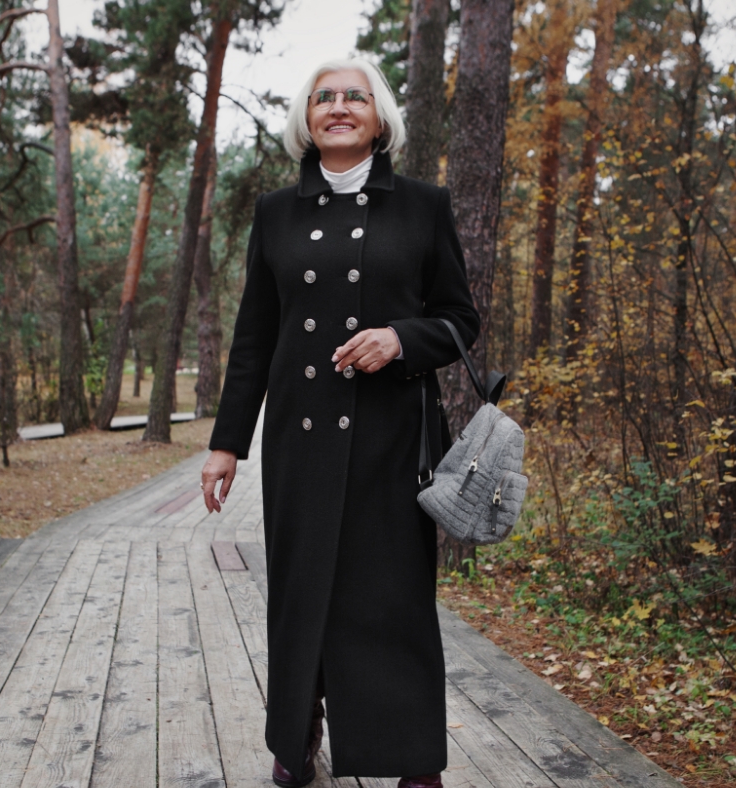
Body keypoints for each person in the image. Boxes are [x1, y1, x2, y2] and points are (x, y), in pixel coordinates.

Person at [200, 57, 480, 788]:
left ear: (379, 116)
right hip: (301, 443)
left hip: (394, 441)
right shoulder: (275, 214)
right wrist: (227, 443)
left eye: (355, 96)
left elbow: (460, 322)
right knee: (302, 595)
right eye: (324, 98)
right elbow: (254, 337)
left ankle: (414, 759)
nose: (339, 106)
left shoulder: (424, 205)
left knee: (393, 599)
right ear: (308, 120)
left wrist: (401, 339)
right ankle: (298, 739)